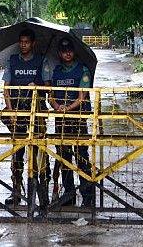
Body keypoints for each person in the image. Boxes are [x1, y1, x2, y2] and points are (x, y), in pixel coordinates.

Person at [1, 28, 49, 207]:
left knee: (40, 153)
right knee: (17, 152)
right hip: (17, 112)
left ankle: (42, 194)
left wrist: (36, 84)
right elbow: (6, 87)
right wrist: (11, 110)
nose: (23, 45)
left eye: (26, 42)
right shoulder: (12, 61)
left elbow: (47, 85)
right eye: (21, 42)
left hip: (37, 112)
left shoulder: (41, 61)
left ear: (33, 43)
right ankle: (16, 191)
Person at [49, 38, 95, 208]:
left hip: (78, 119)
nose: (67, 53)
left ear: (73, 52)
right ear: (59, 53)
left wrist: (67, 108)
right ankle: (69, 195)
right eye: (63, 50)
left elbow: (82, 97)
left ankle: (87, 195)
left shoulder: (83, 70)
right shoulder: (57, 71)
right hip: (61, 120)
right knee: (63, 156)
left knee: (82, 157)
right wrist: (56, 106)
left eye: (69, 50)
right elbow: (51, 95)